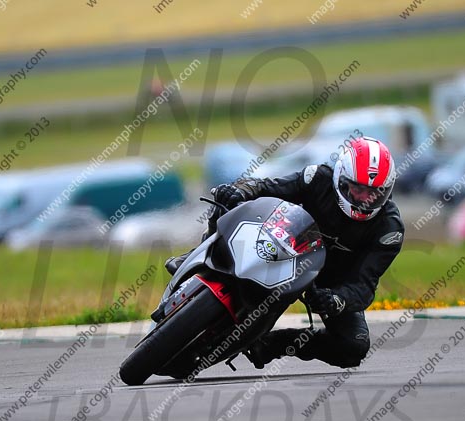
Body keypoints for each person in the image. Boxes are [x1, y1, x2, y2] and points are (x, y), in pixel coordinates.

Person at [167, 137, 404, 369]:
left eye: (374, 193)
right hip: (286, 244)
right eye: (357, 188)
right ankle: (195, 258)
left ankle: (272, 345)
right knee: (227, 201)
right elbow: (268, 187)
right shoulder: (317, 178)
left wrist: (338, 299)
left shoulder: (389, 230)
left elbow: (364, 284)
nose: (364, 199)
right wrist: (240, 190)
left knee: (354, 347)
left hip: (329, 283)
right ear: (340, 178)